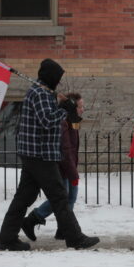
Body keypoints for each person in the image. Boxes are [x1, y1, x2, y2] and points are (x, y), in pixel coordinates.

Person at [0, 59, 100, 251]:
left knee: (24, 198)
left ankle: (7, 238)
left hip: (34, 154)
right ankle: (74, 237)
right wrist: (64, 109)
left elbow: (48, 116)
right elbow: (47, 121)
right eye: (58, 78)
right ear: (51, 77)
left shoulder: (42, 92)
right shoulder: (40, 93)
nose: (59, 82)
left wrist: (61, 104)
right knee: (60, 197)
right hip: (41, 154)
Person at [21, 92, 84, 242]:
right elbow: (66, 151)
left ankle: (62, 229)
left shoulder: (72, 122)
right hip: (61, 168)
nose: (83, 109)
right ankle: (33, 219)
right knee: (63, 198)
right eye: (80, 106)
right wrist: (73, 175)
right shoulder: (63, 123)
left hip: (68, 167)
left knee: (70, 197)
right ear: (72, 107)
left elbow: (72, 150)